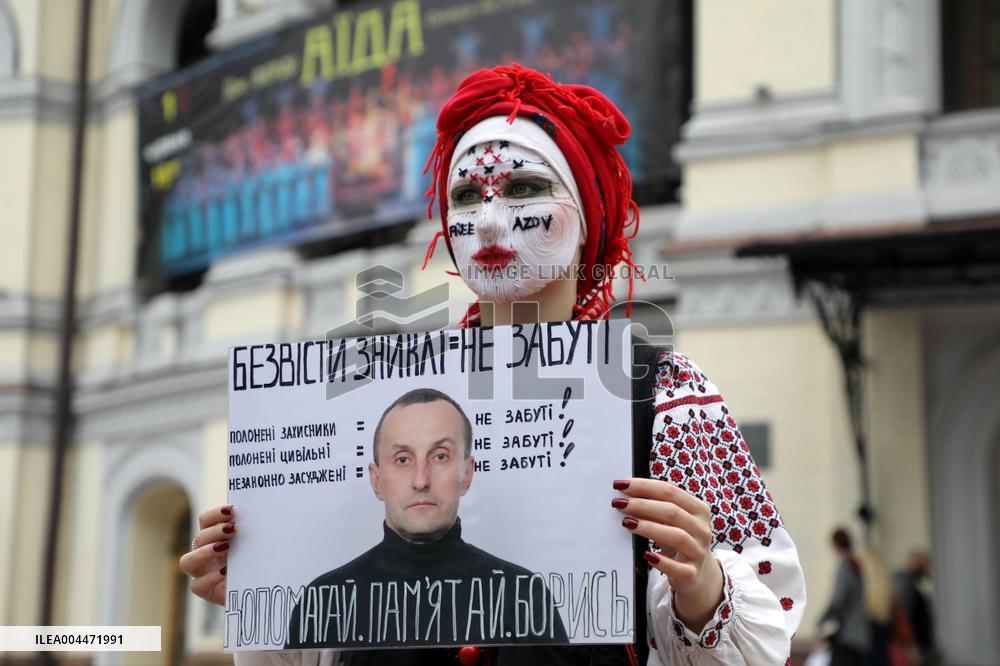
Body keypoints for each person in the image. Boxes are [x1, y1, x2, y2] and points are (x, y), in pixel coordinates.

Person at [181, 64, 806, 665]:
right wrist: (260, 589)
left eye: (525, 187)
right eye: (465, 195)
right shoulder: (379, 393)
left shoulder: (663, 393)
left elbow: (757, 635)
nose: (488, 219)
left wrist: (702, 588)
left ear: (586, 216)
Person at [284, 387, 568, 650]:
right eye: (403, 459)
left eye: (440, 456)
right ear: (376, 480)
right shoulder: (322, 601)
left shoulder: (523, 596)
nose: (421, 480)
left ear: (467, 474)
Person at [819, 528, 870, 665]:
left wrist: (822, 621)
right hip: (862, 635)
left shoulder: (846, 566)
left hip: (847, 635)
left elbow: (838, 599)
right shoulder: (857, 565)